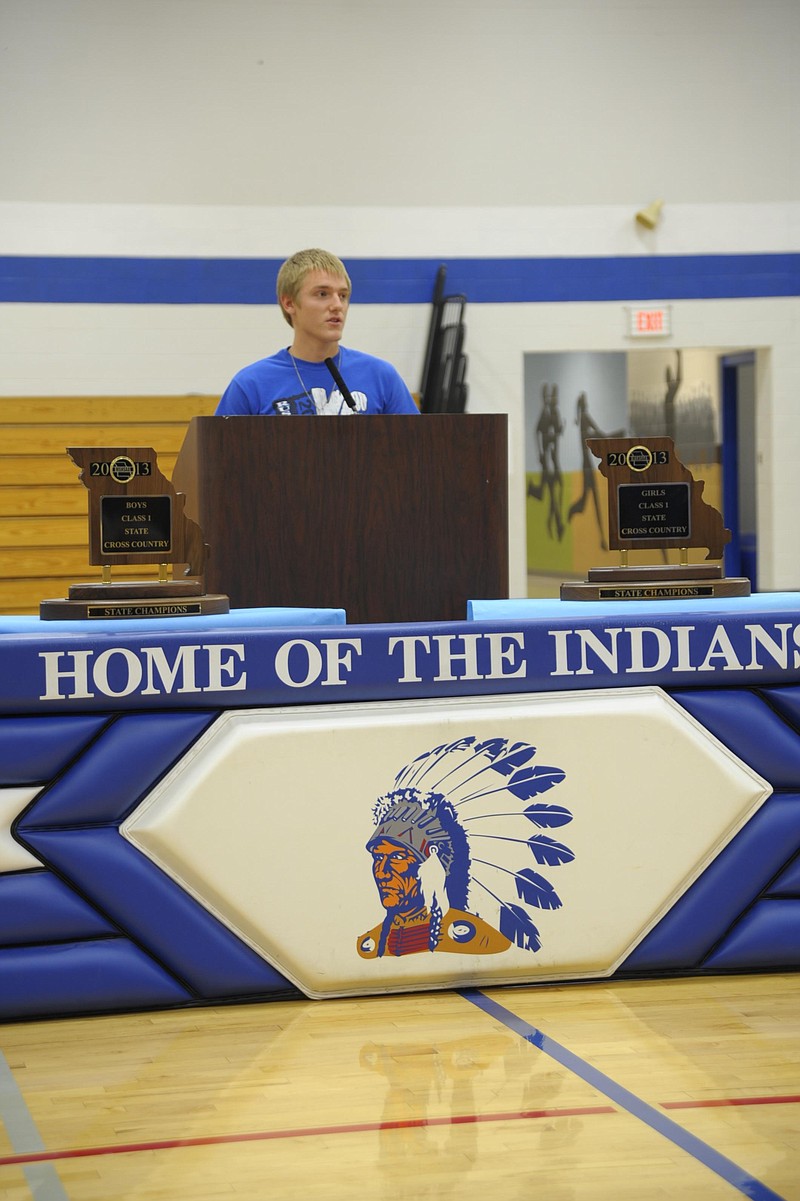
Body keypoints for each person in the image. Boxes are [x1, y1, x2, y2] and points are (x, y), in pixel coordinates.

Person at [215, 248, 419, 416]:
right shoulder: (251, 384)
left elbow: (416, 452)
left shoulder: (381, 376)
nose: (337, 305)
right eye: (322, 294)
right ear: (289, 303)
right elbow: (217, 459)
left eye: (343, 295)